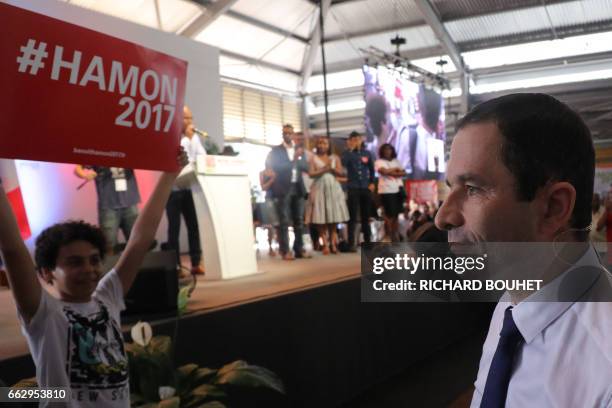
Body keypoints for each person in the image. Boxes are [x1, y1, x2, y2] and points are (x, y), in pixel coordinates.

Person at [434, 93, 612, 407]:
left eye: (473, 188)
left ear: (553, 208)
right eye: (451, 188)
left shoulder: (604, 370)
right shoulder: (511, 304)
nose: (442, 217)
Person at [0, 149, 188, 407]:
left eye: (94, 259)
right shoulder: (44, 314)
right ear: (46, 272)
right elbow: (12, 251)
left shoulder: (107, 297)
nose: (89, 269)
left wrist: (169, 175)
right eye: (74, 262)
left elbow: (140, 239)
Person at [165, 105, 205, 275]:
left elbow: (202, 157)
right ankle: (176, 267)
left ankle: (196, 262)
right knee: (174, 229)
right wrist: (188, 140)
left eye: (190, 118)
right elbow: (183, 160)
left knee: (193, 227)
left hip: (189, 189)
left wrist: (192, 139)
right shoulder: (172, 137)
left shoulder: (193, 137)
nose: (189, 121)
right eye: (185, 118)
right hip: (173, 191)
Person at [265, 124, 311, 260]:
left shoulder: (298, 150)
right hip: (283, 188)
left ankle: (299, 249)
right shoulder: (276, 151)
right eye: (285, 133)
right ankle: (285, 251)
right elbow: (277, 168)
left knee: (299, 220)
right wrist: (294, 160)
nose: (288, 135)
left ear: (293, 135)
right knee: (284, 221)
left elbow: (305, 167)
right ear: (282, 134)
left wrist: (299, 160)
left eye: (290, 133)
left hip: (298, 186)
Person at [74, 165, 141, 254]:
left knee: (136, 243)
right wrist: (85, 175)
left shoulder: (130, 151)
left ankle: (136, 267)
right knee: (109, 245)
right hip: (108, 206)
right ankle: (111, 267)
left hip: (130, 202)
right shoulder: (100, 152)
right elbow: (78, 168)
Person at [305, 137, 350, 254]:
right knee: (321, 215)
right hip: (319, 186)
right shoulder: (313, 158)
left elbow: (341, 172)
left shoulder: (335, 158)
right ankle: (324, 243)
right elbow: (311, 173)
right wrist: (324, 169)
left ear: (328, 145)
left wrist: (333, 168)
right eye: (320, 143)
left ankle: (333, 243)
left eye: (324, 143)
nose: (322, 145)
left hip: (333, 187)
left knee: (333, 216)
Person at [342, 130, 375, 251]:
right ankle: (352, 243)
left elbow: (372, 169)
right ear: (350, 141)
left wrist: (372, 182)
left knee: (366, 216)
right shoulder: (347, 153)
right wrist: (350, 149)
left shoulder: (367, 153)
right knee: (352, 216)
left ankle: (368, 242)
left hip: (365, 187)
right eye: (353, 140)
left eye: (358, 139)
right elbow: (343, 164)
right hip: (353, 187)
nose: (356, 142)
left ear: (361, 140)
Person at [375, 143, 406, 242]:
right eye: (385, 149)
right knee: (389, 215)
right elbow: (383, 172)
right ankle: (388, 235)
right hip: (386, 191)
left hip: (398, 190)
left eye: (389, 149)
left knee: (396, 215)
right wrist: (395, 170)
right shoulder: (379, 161)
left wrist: (390, 171)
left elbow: (404, 172)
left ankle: (395, 234)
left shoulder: (396, 161)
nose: (387, 151)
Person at [259, 167, 279, 257]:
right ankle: (271, 248)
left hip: (281, 197)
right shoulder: (263, 173)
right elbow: (263, 187)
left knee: (281, 224)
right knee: (270, 225)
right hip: (269, 199)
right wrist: (272, 179)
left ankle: (282, 247)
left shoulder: (278, 170)